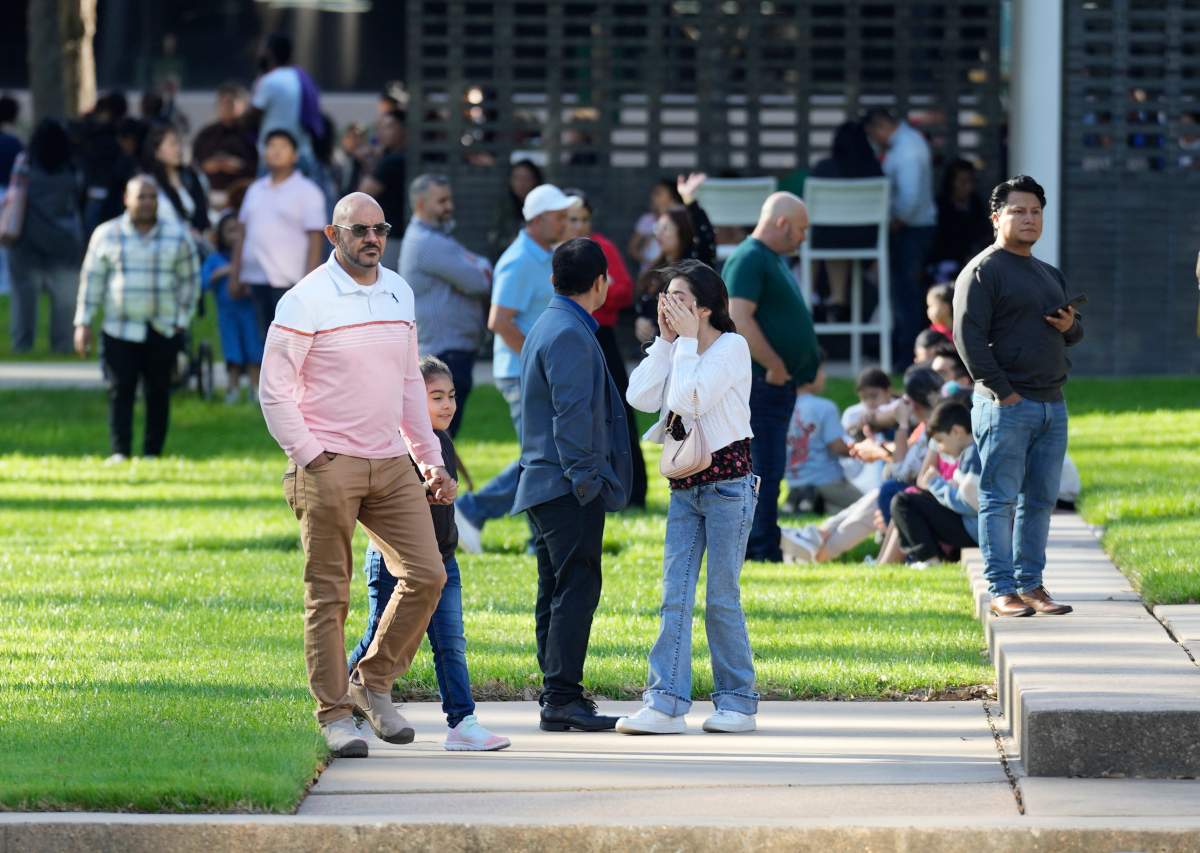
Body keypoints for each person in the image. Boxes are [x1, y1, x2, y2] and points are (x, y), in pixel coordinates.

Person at [259, 191, 455, 758]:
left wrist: (430, 459)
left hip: (391, 460)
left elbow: (408, 386)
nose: (372, 238)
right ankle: (333, 714)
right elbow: (274, 392)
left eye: (380, 229)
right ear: (332, 234)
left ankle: (372, 682)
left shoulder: (399, 290)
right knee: (329, 596)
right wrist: (310, 455)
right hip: (327, 463)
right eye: (360, 230)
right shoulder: (304, 301)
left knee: (427, 574)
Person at [620, 259, 759, 735]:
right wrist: (664, 342)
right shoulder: (676, 349)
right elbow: (639, 396)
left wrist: (682, 348)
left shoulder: (732, 347)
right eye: (665, 298)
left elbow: (690, 400)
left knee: (722, 597)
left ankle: (738, 703)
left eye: (678, 298)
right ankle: (665, 703)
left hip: (728, 487)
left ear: (703, 307)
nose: (668, 306)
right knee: (673, 596)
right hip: (685, 488)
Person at [347, 356, 510, 752]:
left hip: (443, 560)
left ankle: (462, 722)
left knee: (450, 641)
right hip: (395, 563)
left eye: (451, 396)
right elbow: (388, 504)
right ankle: (339, 698)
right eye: (435, 397)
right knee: (377, 637)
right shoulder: (396, 447)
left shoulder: (442, 442)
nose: (447, 405)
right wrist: (427, 492)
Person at [511, 237, 631, 732]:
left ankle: (556, 693)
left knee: (556, 587)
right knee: (576, 588)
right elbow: (573, 417)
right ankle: (561, 696)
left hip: (546, 482)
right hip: (565, 485)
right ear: (600, 282)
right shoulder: (571, 334)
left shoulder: (549, 323)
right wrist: (588, 482)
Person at [953, 174, 1083, 618]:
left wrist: (1070, 326)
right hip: (1006, 405)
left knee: (1041, 500)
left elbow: (1074, 332)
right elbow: (967, 339)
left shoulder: (1048, 273)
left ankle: (1032, 586)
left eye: (1035, 211)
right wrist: (1005, 395)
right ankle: (1002, 589)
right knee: (999, 498)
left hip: (1052, 402)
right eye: (1018, 211)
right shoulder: (983, 271)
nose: (1029, 218)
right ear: (996, 218)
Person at [454, 184, 576, 552]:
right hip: (523, 374)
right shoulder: (520, 259)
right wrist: (539, 362)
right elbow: (499, 321)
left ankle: (534, 537)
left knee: (544, 457)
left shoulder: (541, 254)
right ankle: (475, 511)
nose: (564, 222)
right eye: (558, 217)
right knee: (542, 458)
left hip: (532, 372)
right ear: (537, 220)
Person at [73, 176, 198, 462]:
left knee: (159, 392)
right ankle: (120, 452)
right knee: (120, 390)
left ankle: (153, 452)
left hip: (163, 327)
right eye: (140, 197)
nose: (147, 203)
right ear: (126, 200)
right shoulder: (106, 234)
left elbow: (190, 283)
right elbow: (91, 280)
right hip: (119, 327)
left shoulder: (177, 235)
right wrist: (83, 323)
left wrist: (181, 319)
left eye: (152, 197)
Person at [724, 192, 818, 563]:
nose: (803, 238)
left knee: (771, 467)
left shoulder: (771, 260)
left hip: (776, 384)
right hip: (763, 384)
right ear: (781, 223)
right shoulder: (749, 258)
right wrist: (775, 366)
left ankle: (765, 541)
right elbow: (739, 317)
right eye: (801, 229)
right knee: (762, 468)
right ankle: (760, 547)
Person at [782, 366, 941, 564]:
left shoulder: (931, 427)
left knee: (882, 495)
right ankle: (817, 539)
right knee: (874, 499)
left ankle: (817, 550)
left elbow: (901, 468)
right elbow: (906, 458)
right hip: (909, 495)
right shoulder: (926, 426)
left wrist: (900, 426)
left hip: (921, 501)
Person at [564, 188, 647, 508]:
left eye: (584, 219)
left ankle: (634, 489)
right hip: (574, 335)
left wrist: (594, 294)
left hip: (603, 335)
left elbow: (624, 291)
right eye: (572, 219)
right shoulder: (556, 250)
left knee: (618, 411)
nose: (579, 226)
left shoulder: (604, 247)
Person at [400, 174, 492, 436]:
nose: (449, 207)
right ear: (420, 204)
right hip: (445, 354)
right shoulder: (428, 242)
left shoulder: (438, 238)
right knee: (438, 440)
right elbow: (480, 280)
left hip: (450, 352)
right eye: (441, 201)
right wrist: (479, 268)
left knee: (441, 439)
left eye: (449, 199)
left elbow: (481, 269)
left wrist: (479, 267)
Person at [230, 129, 327, 338]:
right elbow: (242, 234)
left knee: (292, 342)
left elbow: (316, 240)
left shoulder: (308, 191)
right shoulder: (254, 189)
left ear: (295, 155)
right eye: (271, 146)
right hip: (255, 279)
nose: (275, 151)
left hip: (291, 282)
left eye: (282, 147)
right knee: (264, 342)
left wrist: (309, 284)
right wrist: (235, 275)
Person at [864, 108, 938, 369]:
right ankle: (906, 353)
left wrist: (897, 222)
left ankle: (908, 357)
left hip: (911, 230)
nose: (875, 139)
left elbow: (911, 195)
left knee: (907, 294)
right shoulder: (906, 145)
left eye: (874, 133)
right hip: (908, 228)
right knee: (903, 294)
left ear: (882, 125)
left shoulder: (908, 149)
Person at [5, 119, 84, 354]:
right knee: (65, 301)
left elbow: (15, 195)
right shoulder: (73, 167)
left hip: (26, 240)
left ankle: (22, 344)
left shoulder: (25, 163)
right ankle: (63, 346)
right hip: (65, 242)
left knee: (23, 300)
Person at [808, 121, 885, 321]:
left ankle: (810, 296)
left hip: (826, 242)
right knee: (839, 238)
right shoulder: (874, 170)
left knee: (827, 238)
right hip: (868, 243)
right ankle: (837, 299)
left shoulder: (824, 168)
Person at [890, 399, 981, 568]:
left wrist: (935, 483)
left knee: (903, 501)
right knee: (912, 497)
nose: (939, 448)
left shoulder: (973, 455)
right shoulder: (973, 451)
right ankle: (928, 557)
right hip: (975, 527)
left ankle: (929, 559)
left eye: (940, 440)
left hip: (976, 531)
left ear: (956, 431)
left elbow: (971, 505)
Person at [634, 174, 717, 342]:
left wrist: (690, 201)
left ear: (681, 232)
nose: (658, 234)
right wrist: (641, 321)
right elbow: (644, 307)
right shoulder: (655, 270)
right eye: (658, 228)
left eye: (665, 229)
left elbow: (706, 238)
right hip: (658, 353)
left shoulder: (695, 267)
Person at [784, 359, 860, 516]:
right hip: (826, 481)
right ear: (810, 375)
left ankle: (803, 501)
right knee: (867, 506)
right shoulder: (825, 407)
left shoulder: (782, 406)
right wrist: (859, 448)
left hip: (794, 481)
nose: (824, 376)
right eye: (820, 371)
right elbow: (836, 446)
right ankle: (818, 503)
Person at [202, 213, 263, 404]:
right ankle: (232, 390)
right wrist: (225, 271)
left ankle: (256, 390)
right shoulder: (215, 259)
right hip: (227, 315)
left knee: (254, 351)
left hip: (250, 312)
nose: (235, 236)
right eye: (229, 231)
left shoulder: (252, 257)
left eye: (238, 230)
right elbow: (203, 282)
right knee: (232, 352)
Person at [248, 33, 324, 179]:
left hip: (274, 160)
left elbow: (250, 118)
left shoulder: (269, 81)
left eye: (261, 49)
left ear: (269, 52)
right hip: (303, 155)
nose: (258, 53)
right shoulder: (300, 77)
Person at [191, 82, 258, 206]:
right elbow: (195, 164)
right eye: (222, 103)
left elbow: (261, 165)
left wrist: (240, 166)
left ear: (244, 105)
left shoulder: (253, 134)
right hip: (211, 195)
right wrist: (208, 165)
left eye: (232, 102)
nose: (227, 107)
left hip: (246, 195)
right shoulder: (206, 134)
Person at [359, 109, 407, 269]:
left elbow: (362, 194)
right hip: (393, 235)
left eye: (389, 126)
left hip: (391, 237)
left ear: (403, 129)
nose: (382, 132)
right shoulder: (391, 157)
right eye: (381, 127)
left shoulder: (392, 161)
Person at [143, 124, 210, 240]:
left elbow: (202, 214)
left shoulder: (191, 177)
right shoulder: (149, 183)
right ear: (157, 151)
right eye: (172, 144)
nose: (178, 149)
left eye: (179, 143)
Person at [931, 159, 991, 281]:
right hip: (945, 265)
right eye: (963, 182)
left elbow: (983, 233)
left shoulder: (976, 204)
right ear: (951, 183)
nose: (968, 187)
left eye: (971, 181)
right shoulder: (940, 207)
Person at [487, 159, 543, 262]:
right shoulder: (504, 207)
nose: (521, 183)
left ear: (535, 180)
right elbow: (494, 238)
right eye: (517, 178)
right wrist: (513, 242)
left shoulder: (543, 206)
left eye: (526, 178)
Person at [628, 178, 681, 275]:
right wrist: (648, 261)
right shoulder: (647, 219)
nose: (653, 197)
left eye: (659, 193)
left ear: (672, 196)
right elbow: (632, 247)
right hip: (649, 274)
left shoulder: (682, 216)